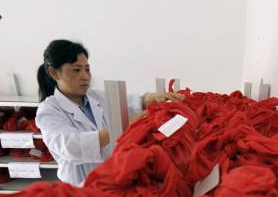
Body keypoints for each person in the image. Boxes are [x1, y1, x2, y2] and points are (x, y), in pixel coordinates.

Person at [36, 39, 183, 186]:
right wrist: (121, 126)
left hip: (115, 181)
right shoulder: (49, 110)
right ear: (54, 73)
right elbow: (71, 146)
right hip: (81, 189)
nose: (85, 76)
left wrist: (150, 97)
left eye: (87, 70)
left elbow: (132, 102)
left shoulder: (97, 97)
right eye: (76, 70)